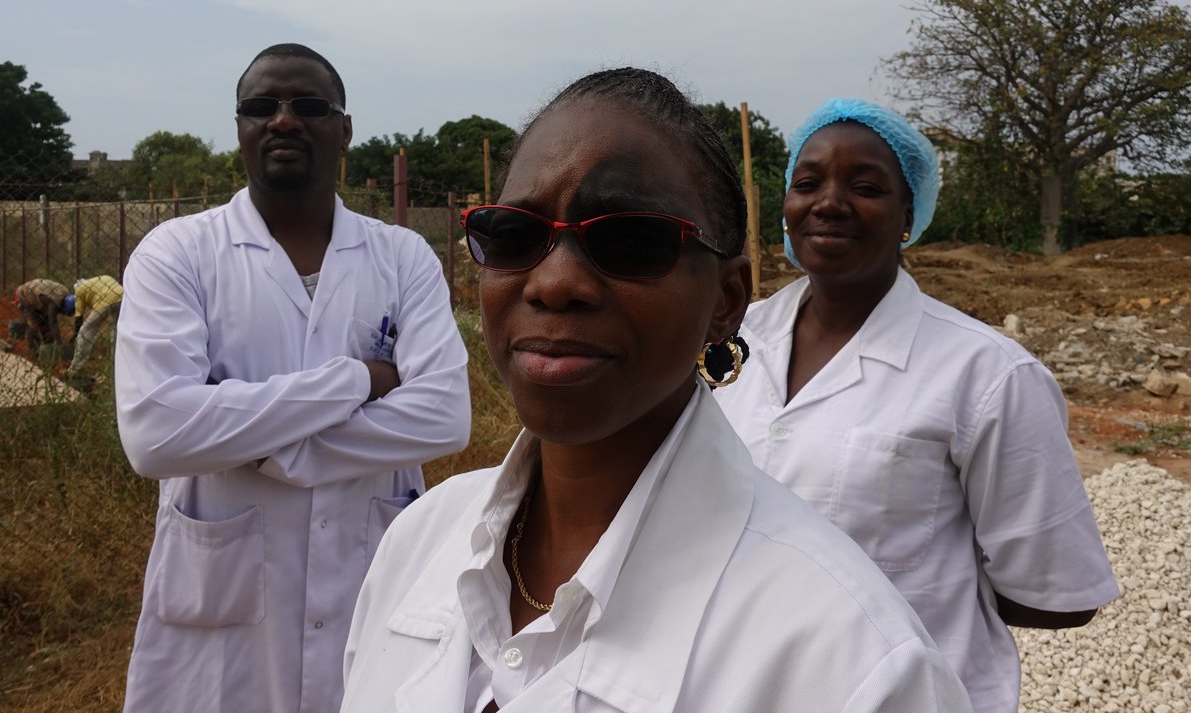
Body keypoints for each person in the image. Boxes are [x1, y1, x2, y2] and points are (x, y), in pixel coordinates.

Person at [339, 70, 972, 712]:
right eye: (513, 235)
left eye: (630, 241)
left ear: (726, 301)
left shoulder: (854, 665)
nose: (554, 282)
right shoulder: (420, 540)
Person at [713, 98, 1120, 713]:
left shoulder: (986, 375)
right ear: (786, 209)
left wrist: (906, 599)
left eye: (866, 186)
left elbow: (1055, 595)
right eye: (807, 182)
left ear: (909, 214)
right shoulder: (730, 340)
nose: (829, 202)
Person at [115, 43, 471, 713]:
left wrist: (253, 439)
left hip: (364, 583)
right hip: (219, 613)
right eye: (260, 107)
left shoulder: (403, 258)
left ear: (344, 130)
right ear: (241, 129)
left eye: (308, 106)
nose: (282, 121)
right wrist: (359, 380)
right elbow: (157, 433)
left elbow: (444, 416)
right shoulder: (179, 254)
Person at [64, 274, 123, 378]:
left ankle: (75, 368)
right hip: (122, 297)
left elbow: (79, 319)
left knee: (86, 331)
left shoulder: (79, 292)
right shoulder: (102, 279)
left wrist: (75, 335)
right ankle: (115, 368)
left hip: (105, 300)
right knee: (116, 331)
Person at [13, 278, 72, 350]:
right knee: (33, 326)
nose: (61, 313)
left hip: (37, 295)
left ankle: (48, 349)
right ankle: (35, 351)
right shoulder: (53, 303)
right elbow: (53, 322)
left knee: (46, 325)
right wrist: (59, 342)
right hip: (24, 297)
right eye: (63, 312)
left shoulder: (65, 293)